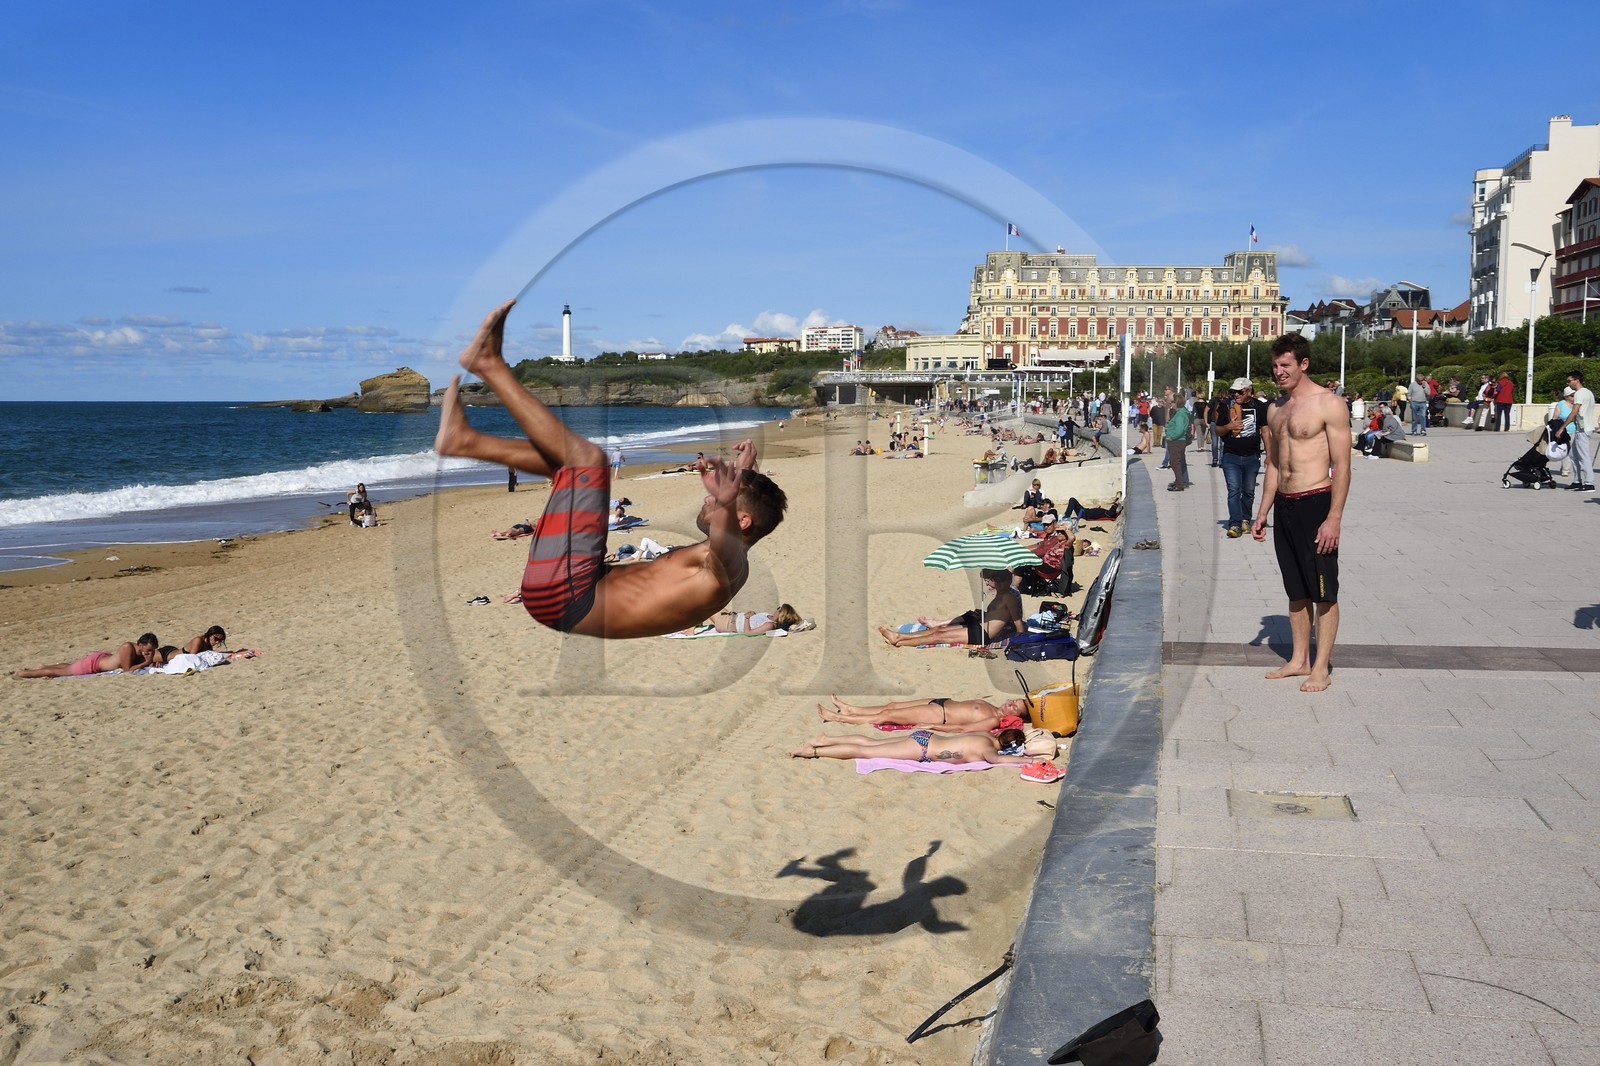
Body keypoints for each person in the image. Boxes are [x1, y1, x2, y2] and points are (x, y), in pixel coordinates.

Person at [434, 301, 788, 639]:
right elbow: (743, 517)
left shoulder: (728, 566)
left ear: (741, 521)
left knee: (589, 461)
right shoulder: (730, 552)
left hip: (567, 597)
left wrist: (725, 502)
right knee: (567, 469)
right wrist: (745, 468)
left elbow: (727, 543)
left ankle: (489, 364)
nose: (707, 500)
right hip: (572, 592)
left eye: (717, 503)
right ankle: (465, 441)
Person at [1251, 334, 1351, 693]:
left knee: (1323, 591)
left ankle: (1320, 667)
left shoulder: (1329, 404)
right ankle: (1298, 660)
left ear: (1303, 364)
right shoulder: (1275, 409)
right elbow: (1274, 466)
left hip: (1316, 503)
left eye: (1285, 365)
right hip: (1286, 507)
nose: (1278, 372)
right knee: (1295, 591)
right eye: (1275, 366)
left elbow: (1342, 466)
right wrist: (1262, 512)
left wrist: (1334, 518)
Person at [877, 569, 1024, 648]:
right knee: (937, 631)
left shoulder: (1008, 597)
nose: (987, 583)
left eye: (989, 580)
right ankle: (898, 638)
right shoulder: (1003, 592)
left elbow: (1018, 622)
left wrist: (1018, 635)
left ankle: (899, 640)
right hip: (981, 626)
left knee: (937, 637)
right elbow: (1000, 615)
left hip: (983, 634)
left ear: (998, 581)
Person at [789, 727, 1046, 766]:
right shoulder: (986, 748)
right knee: (866, 752)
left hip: (925, 737)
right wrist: (1029, 761)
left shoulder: (984, 734)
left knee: (871, 743)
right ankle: (815, 751)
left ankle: (825, 739)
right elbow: (997, 761)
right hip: (922, 750)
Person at [1218, 377, 1270, 539]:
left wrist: (1269, 454)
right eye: (1234, 392)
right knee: (1234, 490)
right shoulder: (1226, 405)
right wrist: (1228, 427)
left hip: (1252, 456)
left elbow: (1265, 431)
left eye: (1240, 392)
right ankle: (1235, 523)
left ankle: (1245, 519)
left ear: (1249, 391)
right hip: (1230, 456)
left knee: (1248, 491)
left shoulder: (1260, 407)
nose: (1236, 395)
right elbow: (1218, 431)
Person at [818, 694, 1028, 731]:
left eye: (1014, 706)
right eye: (1013, 701)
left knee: (886, 717)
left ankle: (837, 717)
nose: (1010, 703)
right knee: (892, 706)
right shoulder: (991, 707)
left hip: (939, 715)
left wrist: (934, 726)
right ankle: (852, 709)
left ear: (1016, 716)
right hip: (940, 702)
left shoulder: (992, 719)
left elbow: (964, 728)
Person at [14, 633, 161, 679]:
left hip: (101, 659)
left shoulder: (141, 651)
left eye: (152, 651)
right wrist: (145, 662)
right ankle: (22, 673)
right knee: (58, 673)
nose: (149, 654)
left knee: (68, 667)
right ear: (140, 645)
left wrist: (151, 663)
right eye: (147, 650)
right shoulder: (127, 647)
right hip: (94, 664)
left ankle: (43, 666)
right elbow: (128, 669)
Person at [1559, 370, 1595, 491]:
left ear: (1577, 380)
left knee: (1583, 456)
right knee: (1573, 455)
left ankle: (1589, 483)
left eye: (1569, 381)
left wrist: (1562, 427)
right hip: (1584, 428)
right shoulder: (1589, 393)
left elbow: (1574, 412)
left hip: (1583, 429)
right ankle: (1577, 481)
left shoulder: (1579, 393)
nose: (1568, 383)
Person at [679, 603, 803, 635]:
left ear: (781, 615)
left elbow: (748, 633)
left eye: (779, 609)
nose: (776, 609)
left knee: (704, 607)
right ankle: (696, 622)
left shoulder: (770, 625)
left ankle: (690, 629)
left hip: (729, 624)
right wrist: (752, 614)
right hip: (733, 617)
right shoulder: (768, 616)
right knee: (716, 603)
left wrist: (748, 618)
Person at [1164, 395, 1192, 491]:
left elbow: (1180, 429)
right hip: (1178, 441)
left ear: (1176, 403)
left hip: (1177, 441)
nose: (1170, 404)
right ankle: (1178, 482)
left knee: (1174, 463)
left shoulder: (1180, 414)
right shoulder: (1181, 413)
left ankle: (1180, 484)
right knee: (1176, 462)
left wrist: (1172, 437)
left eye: (1172, 402)